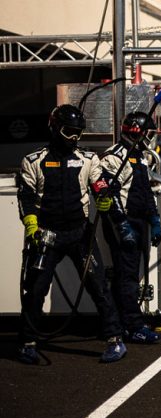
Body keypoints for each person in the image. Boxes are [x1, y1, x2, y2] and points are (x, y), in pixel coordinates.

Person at [16, 104, 129, 364]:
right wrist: (31, 225)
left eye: (78, 132)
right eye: (69, 132)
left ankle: (115, 340)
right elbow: (26, 197)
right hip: (46, 236)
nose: (74, 138)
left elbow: (100, 184)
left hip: (81, 235)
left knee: (99, 287)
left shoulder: (89, 159)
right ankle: (27, 343)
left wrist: (105, 198)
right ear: (55, 128)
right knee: (35, 290)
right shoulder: (33, 161)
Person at [101, 111, 161, 344]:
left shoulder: (140, 156)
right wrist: (122, 224)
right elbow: (110, 194)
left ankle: (124, 323)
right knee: (127, 277)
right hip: (122, 222)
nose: (150, 138)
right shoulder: (114, 157)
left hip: (139, 222)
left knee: (132, 275)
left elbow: (146, 192)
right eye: (148, 133)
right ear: (138, 132)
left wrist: (155, 220)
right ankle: (132, 326)